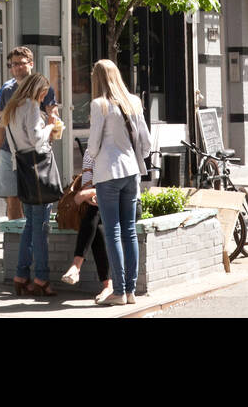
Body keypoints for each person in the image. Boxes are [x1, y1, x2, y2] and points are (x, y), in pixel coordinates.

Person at [82, 59, 151, 307]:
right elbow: (146, 140)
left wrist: (92, 156)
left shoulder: (99, 104)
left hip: (108, 172)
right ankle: (130, 290)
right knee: (129, 230)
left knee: (112, 232)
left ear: (97, 78)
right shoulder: (133, 101)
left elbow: (93, 144)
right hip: (131, 170)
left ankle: (119, 290)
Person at [0, 47, 57, 221]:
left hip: (34, 152)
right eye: (14, 64)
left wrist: (52, 128)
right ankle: (15, 237)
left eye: (21, 63)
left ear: (31, 64)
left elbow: (53, 114)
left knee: (36, 198)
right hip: (9, 152)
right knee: (12, 197)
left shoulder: (43, 87)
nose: (17, 67)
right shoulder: (7, 89)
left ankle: (34, 233)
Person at [3, 73, 60, 298]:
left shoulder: (12, 107)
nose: (45, 96)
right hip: (39, 169)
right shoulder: (31, 106)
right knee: (41, 226)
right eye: (44, 92)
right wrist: (51, 126)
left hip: (23, 169)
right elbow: (38, 139)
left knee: (30, 224)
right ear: (37, 89)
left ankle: (20, 274)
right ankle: (42, 278)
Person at [59, 186, 115, 304]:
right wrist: (90, 197)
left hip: (126, 204)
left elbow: (118, 186)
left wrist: (92, 193)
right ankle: (108, 286)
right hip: (100, 206)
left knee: (93, 214)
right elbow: (82, 192)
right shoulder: (89, 167)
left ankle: (76, 266)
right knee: (96, 225)